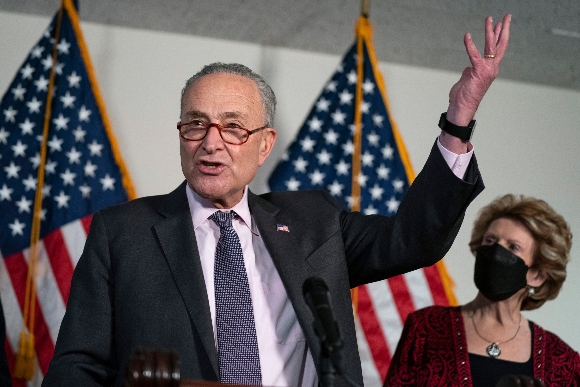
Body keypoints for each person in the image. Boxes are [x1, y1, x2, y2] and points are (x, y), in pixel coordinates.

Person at [43, 15, 511, 387]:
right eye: (195, 124)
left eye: (232, 127)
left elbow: (416, 240)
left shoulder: (314, 223)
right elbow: (76, 367)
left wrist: (458, 120)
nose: (211, 142)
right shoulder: (122, 232)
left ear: (265, 145)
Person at [384, 194, 580, 387]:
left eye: (513, 247)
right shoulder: (425, 327)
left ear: (537, 276)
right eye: (490, 241)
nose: (496, 252)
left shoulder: (562, 361)